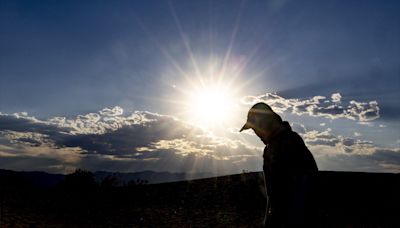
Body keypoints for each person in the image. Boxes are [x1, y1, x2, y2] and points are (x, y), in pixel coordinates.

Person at [240, 102, 318, 227]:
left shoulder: (282, 147)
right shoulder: (287, 142)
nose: (256, 134)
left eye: (255, 129)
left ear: (264, 124)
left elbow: (290, 199)